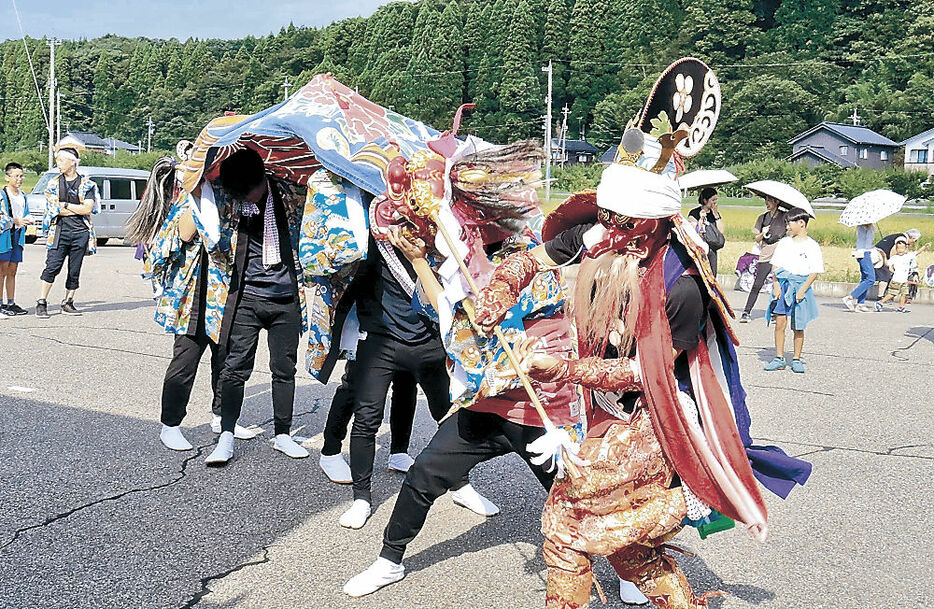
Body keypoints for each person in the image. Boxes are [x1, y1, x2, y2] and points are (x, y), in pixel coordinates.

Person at [337, 232, 498, 529]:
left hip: (429, 342)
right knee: (366, 419)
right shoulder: (375, 237)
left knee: (451, 418)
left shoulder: (439, 237)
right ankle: (361, 497)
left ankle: (461, 486)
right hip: (381, 341)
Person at [130, 157, 258, 451]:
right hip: (189, 298)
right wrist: (197, 199)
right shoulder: (187, 202)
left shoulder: (228, 201)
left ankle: (222, 417)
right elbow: (182, 235)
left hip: (221, 294)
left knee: (225, 359)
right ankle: (171, 424)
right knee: (185, 361)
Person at [204, 148, 309, 465]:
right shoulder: (229, 199)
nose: (248, 195)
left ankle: (283, 434)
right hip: (246, 297)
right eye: (242, 192)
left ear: (263, 177)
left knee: (284, 369)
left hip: (285, 296)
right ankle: (226, 435)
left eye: (251, 189)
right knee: (234, 368)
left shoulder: (290, 193)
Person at [319, 357, 419, 482]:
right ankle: (330, 452)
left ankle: (399, 453)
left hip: (407, 339)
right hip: (368, 338)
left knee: (406, 383)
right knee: (355, 382)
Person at [36, 147, 100, 318]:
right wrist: (74, 208)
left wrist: (65, 205)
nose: (58, 164)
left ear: (73, 162)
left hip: (80, 231)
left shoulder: (87, 184)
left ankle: (68, 301)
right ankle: (41, 301)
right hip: (59, 230)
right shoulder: (53, 184)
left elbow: (88, 208)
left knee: (74, 269)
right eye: (57, 160)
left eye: (61, 160)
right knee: (52, 266)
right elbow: (54, 209)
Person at [764, 208, 824, 373]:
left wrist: (803, 290)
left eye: (789, 223)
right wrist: (776, 285)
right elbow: (775, 266)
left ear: (801, 223)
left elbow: (815, 270)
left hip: (800, 286)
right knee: (780, 322)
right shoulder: (784, 243)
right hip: (783, 285)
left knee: (799, 325)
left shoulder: (812, 245)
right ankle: (779, 358)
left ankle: (796, 358)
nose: (787, 227)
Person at [739, 195, 786, 323]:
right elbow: (757, 239)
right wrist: (763, 232)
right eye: (766, 200)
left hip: (780, 253)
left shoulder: (785, 217)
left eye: (770, 200)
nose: (767, 203)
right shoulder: (763, 218)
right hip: (766, 253)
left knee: (779, 283)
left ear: (777, 201)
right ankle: (746, 312)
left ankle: (775, 311)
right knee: (758, 283)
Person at [0, 162, 34, 316]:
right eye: (16, 176)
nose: (20, 179)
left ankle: (11, 302)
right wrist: (15, 221)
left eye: (21, 176)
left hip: (17, 237)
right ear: (7, 177)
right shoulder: (2, 195)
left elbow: (25, 213)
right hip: (4, 236)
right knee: (2, 270)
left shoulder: (23, 196)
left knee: (13, 270)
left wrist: (27, 220)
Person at [876, 238, 930, 313]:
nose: (900, 250)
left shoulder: (908, 256)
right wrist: (884, 256)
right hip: (896, 280)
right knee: (892, 294)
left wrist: (925, 247)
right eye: (898, 248)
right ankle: (880, 302)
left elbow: (917, 252)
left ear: (906, 249)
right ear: (896, 249)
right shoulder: (895, 258)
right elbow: (887, 264)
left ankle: (901, 307)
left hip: (904, 280)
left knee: (904, 294)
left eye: (902, 248)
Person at [687, 187, 725, 274]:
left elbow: (721, 231)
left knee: (712, 273)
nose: (715, 203)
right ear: (705, 200)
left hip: (712, 247)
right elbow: (693, 231)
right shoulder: (694, 213)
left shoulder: (715, 214)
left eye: (716, 200)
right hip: (699, 247)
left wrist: (716, 215)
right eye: (713, 200)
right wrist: (701, 219)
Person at [842, 223, 876, 313]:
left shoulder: (869, 227)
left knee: (865, 279)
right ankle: (851, 297)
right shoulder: (864, 227)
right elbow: (866, 241)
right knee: (871, 279)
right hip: (864, 253)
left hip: (865, 253)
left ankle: (861, 304)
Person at [873, 228, 921, 293]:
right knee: (885, 276)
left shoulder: (899, 236)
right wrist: (892, 264)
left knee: (878, 276)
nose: (914, 243)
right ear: (911, 237)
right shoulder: (902, 239)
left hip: (877, 254)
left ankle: (883, 295)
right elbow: (893, 251)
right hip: (880, 256)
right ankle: (880, 297)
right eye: (915, 240)